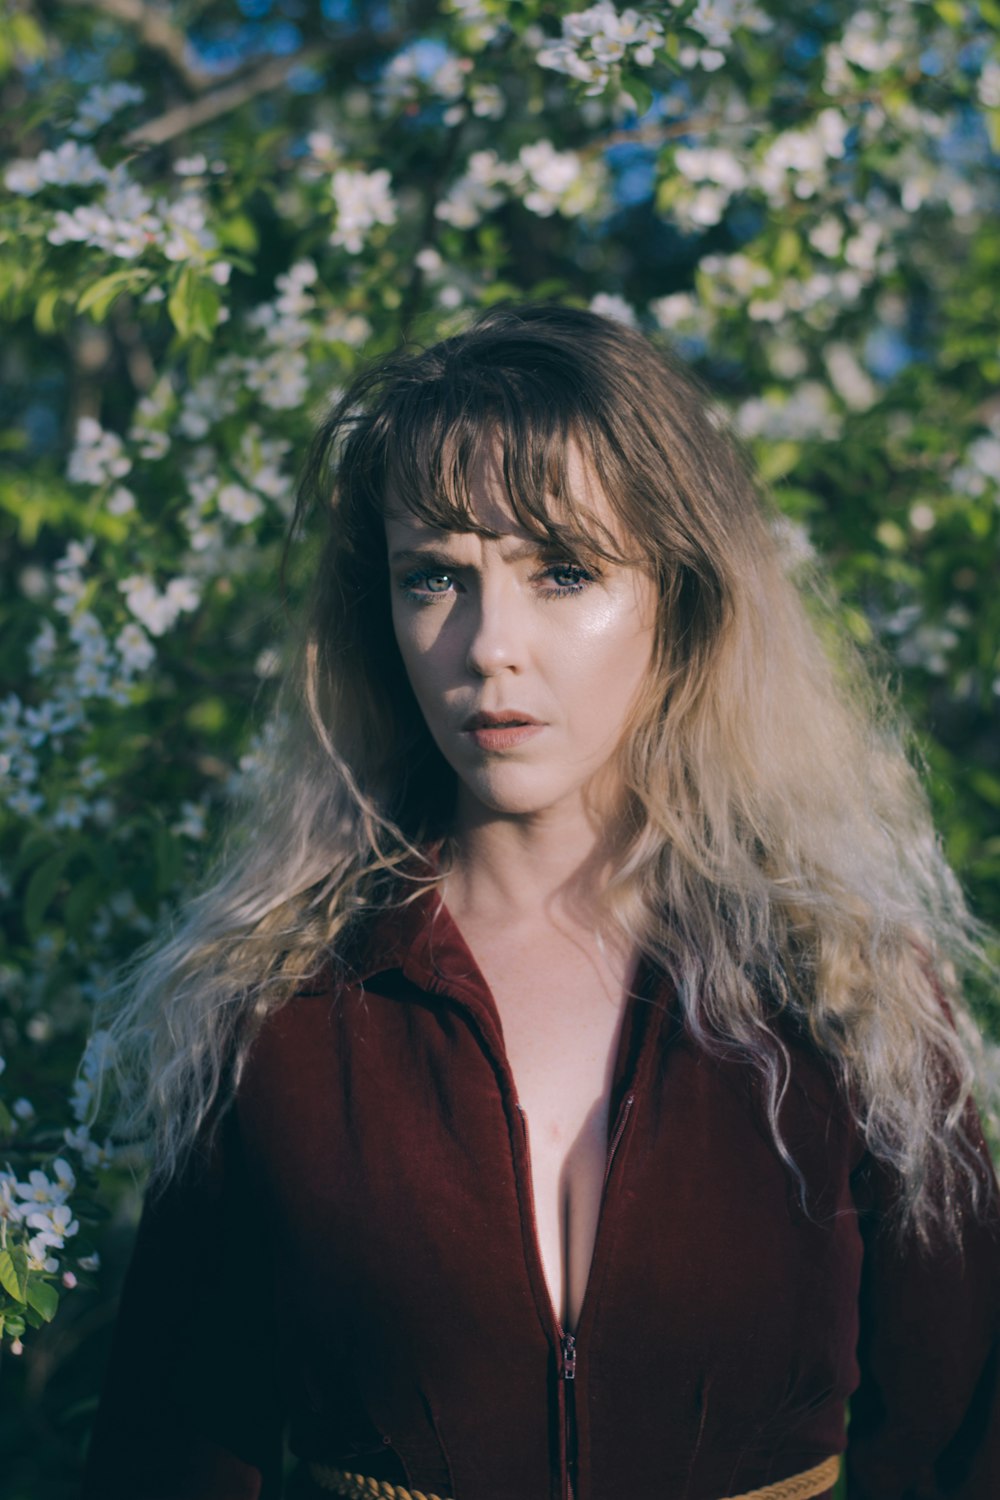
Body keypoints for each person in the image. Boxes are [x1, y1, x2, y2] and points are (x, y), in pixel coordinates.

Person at [83, 303, 1000, 1500]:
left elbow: (956, 1435)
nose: (487, 646)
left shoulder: (841, 985)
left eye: (562, 571)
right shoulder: (277, 1003)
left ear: (680, 599)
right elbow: (173, 1448)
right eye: (435, 578)